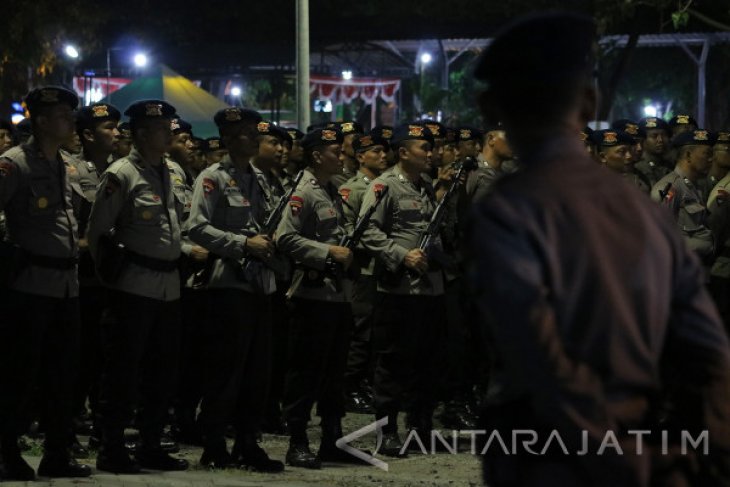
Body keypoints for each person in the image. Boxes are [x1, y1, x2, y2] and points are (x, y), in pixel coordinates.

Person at [470, 12, 730, 486]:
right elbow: (708, 350)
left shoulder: (508, 210)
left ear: (491, 108)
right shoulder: (642, 209)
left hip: (549, 450)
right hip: (644, 441)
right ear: (589, 102)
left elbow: (538, 353)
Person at [87, 99, 188, 474]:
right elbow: (98, 233)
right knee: (123, 371)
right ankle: (111, 445)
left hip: (169, 285)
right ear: (143, 133)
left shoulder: (172, 171)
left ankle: (150, 443)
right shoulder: (122, 173)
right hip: (133, 286)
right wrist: (110, 280)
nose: (170, 133)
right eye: (163, 128)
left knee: (162, 372)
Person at [0, 86, 91, 480]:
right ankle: (7, 451)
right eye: (62, 116)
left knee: (62, 375)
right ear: (40, 121)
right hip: (30, 285)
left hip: (66, 285)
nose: (71, 122)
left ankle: (57, 451)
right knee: (21, 376)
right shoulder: (14, 163)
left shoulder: (65, 163)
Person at [186, 108, 283, 471]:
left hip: (260, 285)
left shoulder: (259, 178)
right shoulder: (212, 178)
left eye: (255, 132)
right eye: (244, 133)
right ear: (227, 140)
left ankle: (247, 442)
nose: (254, 138)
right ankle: (213, 443)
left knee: (258, 371)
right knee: (226, 371)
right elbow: (196, 227)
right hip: (227, 284)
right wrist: (243, 244)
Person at [276, 128, 364, 469]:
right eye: (334, 152)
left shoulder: (332, 191)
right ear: (316, 155)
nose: (341, 157)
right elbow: (284, 237)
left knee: (333, 374)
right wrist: (328, 252)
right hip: (311, 296)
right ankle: (297, 441)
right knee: (306, 372)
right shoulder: (304, 192)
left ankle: (332, 439)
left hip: (337, 296)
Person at [359, 124, 447, 457]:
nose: (431, 153)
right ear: (403, 152)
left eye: (431, 147)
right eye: (424, 147)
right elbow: (366, 230)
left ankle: (420, 426)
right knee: (393, 362)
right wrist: (402, 255)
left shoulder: (426, 187)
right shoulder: (384, 186)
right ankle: (387, 430)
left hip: (429, 289)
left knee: (428, 361)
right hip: (398, 290)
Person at [339, 132, 389, 414]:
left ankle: (364, 383)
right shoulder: (353, 188)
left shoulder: (384, 185)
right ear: (360, 156)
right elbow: (347, 229)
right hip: (363, 268)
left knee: (375, 331)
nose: (383, 156)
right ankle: (348, 387)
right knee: (361, 330)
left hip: (381, 268)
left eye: (385, 151)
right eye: (376, 151)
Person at [651, 129, 715, 264]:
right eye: (707, 154)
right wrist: (704, 244)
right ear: (688, 155)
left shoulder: (693, 185)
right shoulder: (669, 188)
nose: (711, 159)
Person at [466, 123, 512, 201]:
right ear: (491, 140)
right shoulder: (473, 169)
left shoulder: (507, 174)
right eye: (508, 137)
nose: (514, 142)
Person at [635, 117, 671, 187]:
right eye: (654, 136)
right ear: (643, 140)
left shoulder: (670, 165)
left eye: (663, 135)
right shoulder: (637, 169)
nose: (660, 140)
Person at [331, 121, 364, 187]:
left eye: (362, 138)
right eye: (356, 139)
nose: (360, 142)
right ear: (341, 145)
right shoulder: (336, 176)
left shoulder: (366, 168)